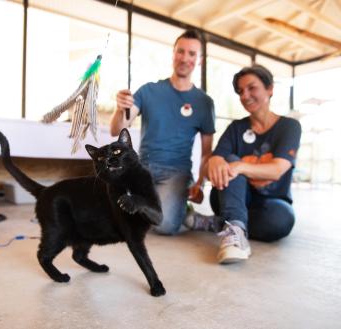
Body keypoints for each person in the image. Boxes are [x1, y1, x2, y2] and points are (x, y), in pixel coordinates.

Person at [110, 30, 215, 235]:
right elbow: (117, 129)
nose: (185, 58)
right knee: (115, 212)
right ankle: (179, 211)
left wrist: (200, 184)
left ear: (199, 60)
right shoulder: (148, 91)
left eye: (192, 54)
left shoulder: (204, 103)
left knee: (164, 225)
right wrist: (120, 107)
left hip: (176, 172)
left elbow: (207, 153)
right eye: (181, 52)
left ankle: (181, 208)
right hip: (142, 168)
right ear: (173, 54)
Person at [193, 64, 301, 264]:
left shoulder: (289, 127)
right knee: (229, 160)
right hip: (230, 197)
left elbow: (277, 169)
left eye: (252, 88)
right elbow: (214, 162)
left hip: (270, 203)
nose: (245, 95)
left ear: (269, 89)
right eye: (241, 91)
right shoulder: (236, 128)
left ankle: (218, 224)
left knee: (281, 221)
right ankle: (235, 232)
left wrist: (240, 166)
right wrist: (215, 161)